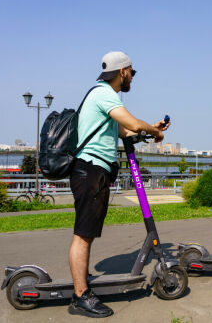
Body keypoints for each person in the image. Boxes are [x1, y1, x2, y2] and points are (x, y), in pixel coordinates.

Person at [68, 51, 169, 318]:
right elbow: (132, 122)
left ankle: (81, 284)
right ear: (122, 71)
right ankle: (80, 296)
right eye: (132, 73)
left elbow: (125, 130)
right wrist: (153, 131)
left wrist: (150, 127)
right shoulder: (104, 93)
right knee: (84, 233)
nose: (132, 78)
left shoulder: (104, 97)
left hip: (95, 169)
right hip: (89, 169)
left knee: (87, 232)